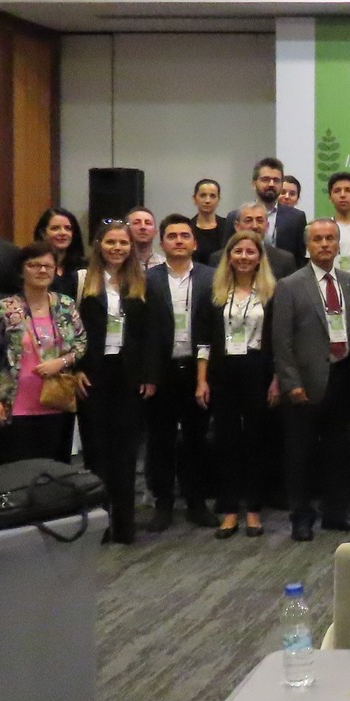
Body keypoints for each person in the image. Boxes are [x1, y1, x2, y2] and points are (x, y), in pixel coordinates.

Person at [273, 219, 350, 540]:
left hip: (342, 376)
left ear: (338, 244)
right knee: (301, 454)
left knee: (339, 452)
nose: (324, 244)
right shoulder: (289, 285)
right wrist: (291, 383)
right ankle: (301, 516)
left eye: (330, 239)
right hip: (305, 382)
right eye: (318, 239)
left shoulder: (349, 282)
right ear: (307, 246)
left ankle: (336, 513)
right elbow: (281, 340)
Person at [73, 221, 156, 544]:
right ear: (99, 245)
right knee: (96, 452)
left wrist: (149, 374)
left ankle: (124, 524)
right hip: (92, 374)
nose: (117, 248)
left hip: (129, 374)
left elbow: (151, 334)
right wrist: (76, 368)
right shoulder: (82, 281)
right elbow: (70, 330)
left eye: (123, 243)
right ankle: (99, 524)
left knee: (125, 453)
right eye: (111, 242)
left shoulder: (142, 282)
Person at [195, 232, 277, 539]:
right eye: (238, 251)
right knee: (226, 441)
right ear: (228, 256)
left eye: (250, 252)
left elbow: (278, 341)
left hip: (258, 370)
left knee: (256, 440)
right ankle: (230, 510)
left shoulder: (271, 293)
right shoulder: (215, 293)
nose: (244, 257)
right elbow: (203, 341)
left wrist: (276, 380)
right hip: (223, 370)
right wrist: (201, 380)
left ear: (259, 257)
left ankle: (253, 509)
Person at [0, 243, 87, 466]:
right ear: (22, 270)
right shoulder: (5, 308)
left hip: (57, 402)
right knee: (19, 471)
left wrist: (61, 361)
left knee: (54, 470)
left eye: (48, 266)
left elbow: (81, 343)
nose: (42, 270)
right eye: (34, 265)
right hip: (15, 404)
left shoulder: (66, 305)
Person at [144, 215, 215, 531]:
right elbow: (141, 332)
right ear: (162, 243)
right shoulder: (148, 279)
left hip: (198, 370)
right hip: (161, 371)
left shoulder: (210, 277)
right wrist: (147, 374)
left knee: (196, 439)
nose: (178, 241)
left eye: (185, 236)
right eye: (172, 236)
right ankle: (163, 503)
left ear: (194, 243)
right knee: (160, 440)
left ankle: (196, 502)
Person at [226, 157, 306, 256]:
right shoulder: (235, 216)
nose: (271, 184)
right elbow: (226, 254)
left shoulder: (296, 218)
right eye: (265, 179)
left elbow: (299, 258)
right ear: (254, 184)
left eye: (276, 180)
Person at [232, 200, 298, 278]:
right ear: (237, 227)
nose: (255, 226)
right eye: (248, 220)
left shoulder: (285, 260)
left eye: (260, 221)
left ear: (267, 226)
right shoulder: (221, 258)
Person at [33, 206, 86, 291]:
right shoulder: (32, 266)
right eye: (55, 228)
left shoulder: (84, 268)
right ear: (42, 233)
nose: (63, 233)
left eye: (68, 228)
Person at [188, 179, 235, 268]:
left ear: (218, 200)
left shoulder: (228, 227)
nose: (207, 200)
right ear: (194, 199)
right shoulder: (187, 228)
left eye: (212, 196)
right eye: (203, 195)